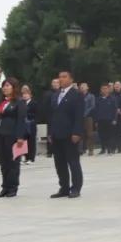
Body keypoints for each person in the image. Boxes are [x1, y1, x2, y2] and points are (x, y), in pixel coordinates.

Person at [0, 73, 29, 198]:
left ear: (14, 87)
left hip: (12, 135)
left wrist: (20, 137)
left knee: (13, 163)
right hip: (0, 134)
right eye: (3, 86)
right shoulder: (1, 102)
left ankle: (12, 187)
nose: (4, 88)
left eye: (7, 86)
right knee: (3, 162)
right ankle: (5, 187)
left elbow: (21, 120)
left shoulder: (19, 102)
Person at [49, 70, 85, 198]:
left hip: (70, 134)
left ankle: (76, 187)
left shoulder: (76, 95)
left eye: (64, 77)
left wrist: (77, 132)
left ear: (71, 79)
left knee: (73, 161)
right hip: (56, 134)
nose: (61, 79)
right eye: (59, 77)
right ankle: (64, 187)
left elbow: (79, 116)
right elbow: (52, 115)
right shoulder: (55, 94)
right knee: (59, 163)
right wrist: (50, 132)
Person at [92, 83, 118, 155]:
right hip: (100, 120)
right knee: (101, 135)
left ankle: (110, 148)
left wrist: (115, 119)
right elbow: (95, 111)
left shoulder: (112, 99)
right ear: (101, 90)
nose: (104, 90)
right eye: (103, 88)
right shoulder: (98, 99)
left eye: (106, 88)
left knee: (110, 135)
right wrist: (96, 120)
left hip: (110, 119)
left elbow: (115, 110)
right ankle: (103, 148)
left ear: (108, 89)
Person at [41, 78, 61, 158]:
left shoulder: (62, 93)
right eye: (54, 83)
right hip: (51, 117)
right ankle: (50, 150)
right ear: (51, 84)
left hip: (61, 117)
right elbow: (44, 106)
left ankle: (59, 150)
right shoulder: (47, 94)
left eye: (57, 83)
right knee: (50, 134)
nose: (56, 84)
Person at [20, 84, 38, 163]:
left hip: (31, 124)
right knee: (24, 141)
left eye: (26, 94)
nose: (25, 95)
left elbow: (36, 114)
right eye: (23, 94)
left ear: (30, 95)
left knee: (31, 142)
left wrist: (27, 114)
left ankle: (31, 158)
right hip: (23, 125)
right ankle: (26, 157)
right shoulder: (21, 103)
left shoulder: (34, 103)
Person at [80, 82, 96, 156]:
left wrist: (85, 113)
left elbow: (92, 106)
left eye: (84, 86)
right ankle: (81, 149)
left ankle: (91, 150)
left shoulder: (91, 96)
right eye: (81, 86)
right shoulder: (78, 96)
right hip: (79, 117)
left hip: (88, 117)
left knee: (89, 134)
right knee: (80, 134)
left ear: (87, 88)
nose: (82, 87)